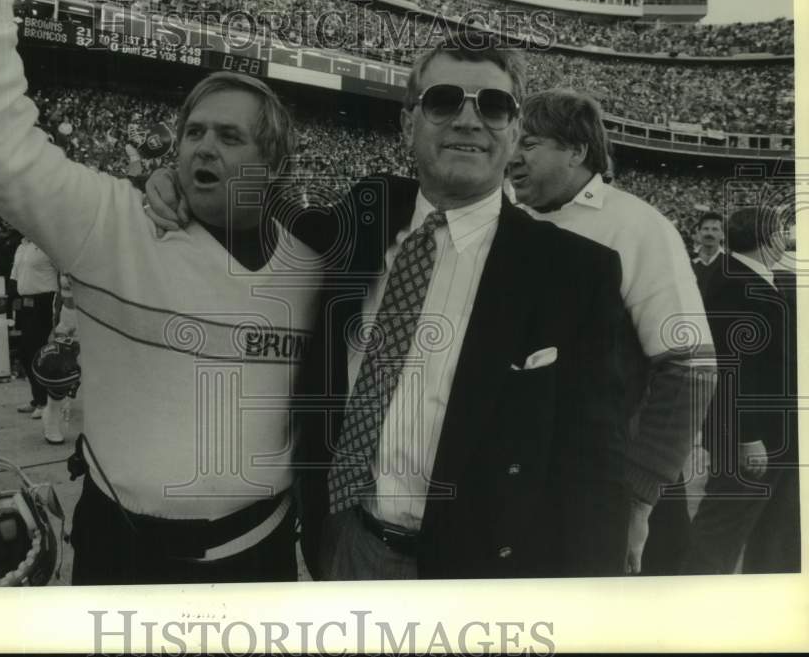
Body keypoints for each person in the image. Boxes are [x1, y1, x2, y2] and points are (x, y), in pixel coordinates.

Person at [0, 0, 324, 584]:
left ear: (276, 163)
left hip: (258, 562)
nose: (203, 144)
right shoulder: (115, 224)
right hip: (121, 555)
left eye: (230, 137)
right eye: (193, 132)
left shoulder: (318, 264)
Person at [147, 37, 631, 579]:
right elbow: (254, 209)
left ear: (515, 132)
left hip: (480, 573)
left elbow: (598, 471)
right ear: (408, 125)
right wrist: (173, 182)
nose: (470, 121)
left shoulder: (576, 272)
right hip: (344, 544)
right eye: (444, 101)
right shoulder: (366, 211)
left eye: (494, 106)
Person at [506, 90, 717, 576]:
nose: (512, 156)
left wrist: (639, 499)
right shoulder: (511, 221)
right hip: (529, 483)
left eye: (529, 143)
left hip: (615, 489)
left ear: (577, 150)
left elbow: (692, 367)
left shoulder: (638, 225)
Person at [683, 207, 800, 574]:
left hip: (776, 432)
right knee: (721, 530)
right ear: (767, 238)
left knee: (778, 533)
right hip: (753, 438)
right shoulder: (734, 284)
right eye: (781, 231)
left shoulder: (745, 277)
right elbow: (734, 370)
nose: (786, 237)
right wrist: (747, 437)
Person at [10, 236, 59, 418]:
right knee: (24, 353)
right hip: (25, 304)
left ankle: (45, 401)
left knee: (38, 353)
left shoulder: (48, 244)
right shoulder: (21, 246)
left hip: (43, 303)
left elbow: (63, 275)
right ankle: (37, 398)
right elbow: (15, 277)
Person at [691, 212, 726, 299]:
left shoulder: (731, 264)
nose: (709, 233)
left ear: (722, 235)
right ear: (699, 232)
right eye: (706, 229)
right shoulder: (686, 260)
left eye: (715, 229)